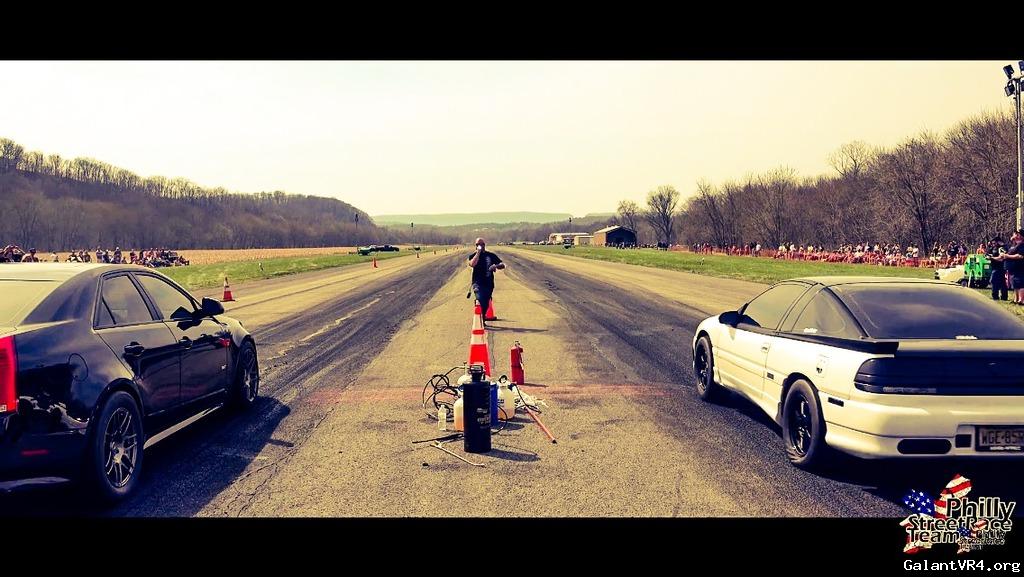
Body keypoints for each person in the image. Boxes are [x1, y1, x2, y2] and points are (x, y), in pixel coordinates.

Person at [467, 237, 505, 324]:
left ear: (485, 245)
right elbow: (472, 264)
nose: (480, 246)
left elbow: (502, 265)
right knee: (480, 299)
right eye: (478, 244)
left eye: (482, 244)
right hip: (477, 282)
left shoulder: (490, 255)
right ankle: (480, 318)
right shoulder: (472, 256)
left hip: (489, 283)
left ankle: (483, 318)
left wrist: (496, 266)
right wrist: (478, 253)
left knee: (486, 303)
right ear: (475, 246)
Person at [994, 229, 1024, 304]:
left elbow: (1020, 256)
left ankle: (1021, 300)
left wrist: (1007, 256)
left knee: (1020, 284)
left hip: (1020, 267)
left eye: (1017, 234)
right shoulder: (1015, 245)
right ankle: (1016, 299)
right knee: (1015, 284)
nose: (1015, 236)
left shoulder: (1022, 245)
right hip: (1013, 269)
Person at [987, 237, 1009, 301]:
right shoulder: (994, 248)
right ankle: (1004, 297)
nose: (993, 244)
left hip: (1000, 267)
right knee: (1002, 282)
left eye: (994, 243)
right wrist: (988, 255)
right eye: (992, 243)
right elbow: (989, 253)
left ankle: (995, 296)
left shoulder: (1002, 248)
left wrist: (991, 258)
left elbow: (1001, 259)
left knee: (994, 281)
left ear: (998, 242)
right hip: (994, 267)